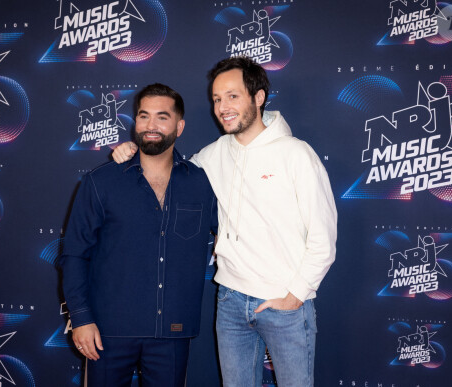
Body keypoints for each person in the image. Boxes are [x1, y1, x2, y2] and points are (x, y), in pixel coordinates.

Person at [112, 57, 337, 387]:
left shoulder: (296, 155)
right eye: (217, 99)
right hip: (230, 301)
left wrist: (294, 297)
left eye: (233, 96)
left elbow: (324, 238)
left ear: (258, 97)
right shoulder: (213, 154)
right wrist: (136, 150)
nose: (222, 107)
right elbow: (169, 176)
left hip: (284, 305)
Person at [60, 83, 217, 387]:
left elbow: (233, 233)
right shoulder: (101, 182)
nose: (151, 125)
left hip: (172, 331)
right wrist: (81, 318)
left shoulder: (200, 182)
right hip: (108, 331)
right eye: (144, 116)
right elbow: (75, 254)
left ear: (179, 126)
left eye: (162, 117)